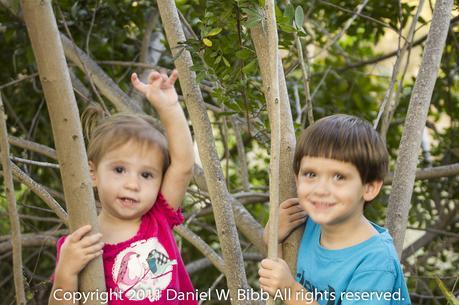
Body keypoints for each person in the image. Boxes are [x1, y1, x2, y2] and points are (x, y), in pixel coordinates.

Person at [50, 70, 197, 305]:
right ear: (93, 173)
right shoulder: (79, 244)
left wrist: (169, 108)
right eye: (119, 170)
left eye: (146, 174)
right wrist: (66, 273)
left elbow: (183, 165)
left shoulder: (158, 215)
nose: (132, 184)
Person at [259, 114, 411, 305]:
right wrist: (272, 238)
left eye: (339, 177)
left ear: (369, 188)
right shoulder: (309, 223)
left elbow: (288, 288)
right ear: (297, 178)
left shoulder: (375, 262)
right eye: (311, 174)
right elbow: (283, 270)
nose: (321, 189)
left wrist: (291, 291)